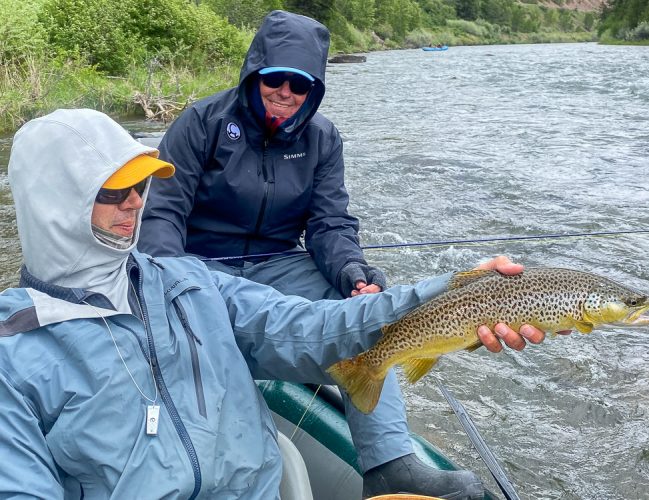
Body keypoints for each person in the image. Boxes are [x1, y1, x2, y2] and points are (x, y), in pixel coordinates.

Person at [0, 108, 555, 499]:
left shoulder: (190, 282)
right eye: (111, 191)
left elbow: (312, 328)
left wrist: (452, 292)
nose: (135, 203)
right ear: (55, 202)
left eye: (141, 186)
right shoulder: (12, 354)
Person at [138, 9, 551, 499]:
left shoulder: (323, 139)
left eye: (301, 84)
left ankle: (390, 464)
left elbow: (330, 224)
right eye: (276, 78)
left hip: (280, 262)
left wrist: (353, 272)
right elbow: (161, 212)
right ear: (255, 72)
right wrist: (170, 279)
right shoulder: (200, 123)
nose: (286, 92)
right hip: (200, 262)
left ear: (315, 89)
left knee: (366, 315)